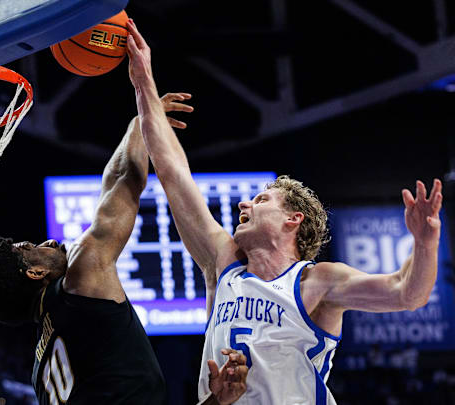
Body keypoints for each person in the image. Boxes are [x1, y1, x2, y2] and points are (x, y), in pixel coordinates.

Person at [125, 18, 444, 405]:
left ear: (294, 219)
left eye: (260, 201)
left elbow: (406, 293)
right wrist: (143, 80)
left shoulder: (317, 282)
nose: (244, 204)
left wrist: (425, 241)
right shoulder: (221, 264)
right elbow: (173, 171)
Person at [0, 94, 248, 404]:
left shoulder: (40, 371)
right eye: (32, 247)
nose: (49, 242)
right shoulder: (80, 278)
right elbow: (123, 179)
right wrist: (140, 122)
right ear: (35, 271)